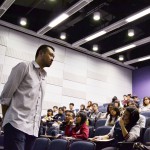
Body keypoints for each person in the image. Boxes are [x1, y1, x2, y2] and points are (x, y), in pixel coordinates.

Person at [0, 45, 55, 150]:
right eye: (51, 55)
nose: (52, 59)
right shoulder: (24, 67)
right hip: (16, 124)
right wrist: (7, 119)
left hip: (32, 130)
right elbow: (6, 95)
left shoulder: (44, 77)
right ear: (41, 53)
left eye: (54, 57)